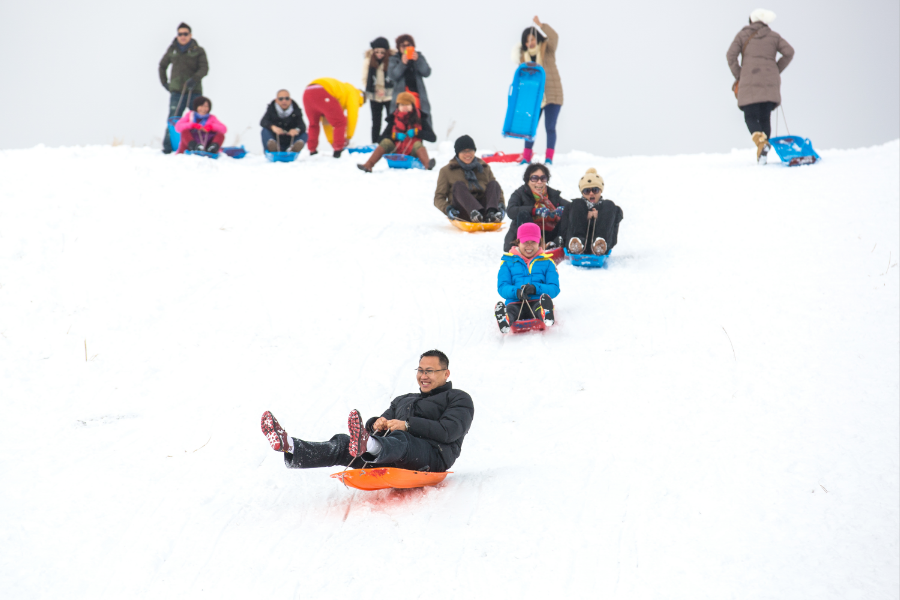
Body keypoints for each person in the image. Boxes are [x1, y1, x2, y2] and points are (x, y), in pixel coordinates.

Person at [260, 350, 474, 473]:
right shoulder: (404, 399)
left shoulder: (458, 398)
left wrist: (407, 426)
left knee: (401, 438)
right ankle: (290, 445)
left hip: (432, 457)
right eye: (420, 370)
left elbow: (450, 431)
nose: (423, 376)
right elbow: (384, 421)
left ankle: (370, 445)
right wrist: (375, 423)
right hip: (390, 454)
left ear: (446, 373)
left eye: (430, 371)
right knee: (345, 444)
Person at [726, 9, 794, 164]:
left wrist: (740, 75)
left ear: (751, 21)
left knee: (750, 116)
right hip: (770, 83)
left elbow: (730, 55)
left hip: (749, 82)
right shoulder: (774, 37)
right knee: (765, 117)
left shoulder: (742, 35)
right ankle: (763, 152)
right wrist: (776, 69)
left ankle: (761, 144)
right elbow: (789, 52)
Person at [495, 223, 559, 333]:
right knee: (512, 310)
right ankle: (505, 319)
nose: (529, 246)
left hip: (537, 300)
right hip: (514, 301)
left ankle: (546, 314)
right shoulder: (507, 262)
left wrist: (536, 288)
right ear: (518, 242)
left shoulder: (548, 262)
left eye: (533, 242)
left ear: (539, 242)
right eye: (525, 242)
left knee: (538, 307)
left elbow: (554, 288)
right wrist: (516, 292)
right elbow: (502, 287)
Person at [518, 16, 563, 165]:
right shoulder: (524, 58)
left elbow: (554, 37)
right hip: (534, 98)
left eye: (531, 39)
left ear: (536, 39)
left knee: (550, 127)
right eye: (526, 41)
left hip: (552, 94)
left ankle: (549, 158)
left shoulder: (547, 50)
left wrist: (540, 25)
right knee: (530, 127)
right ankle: (526, 157)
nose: (529, 43)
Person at [159, 23, 209, 154]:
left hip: (195, 91)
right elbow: (162, 65)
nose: (183, 36)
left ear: (190, 35)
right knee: (174, 118)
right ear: (177, 35)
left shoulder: (198, 50)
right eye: (180, 34)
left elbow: (204, 68)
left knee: (198, 120)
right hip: (177, 92)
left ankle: (200, 146)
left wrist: (195, 79)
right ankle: (168, 148)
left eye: (185, 34)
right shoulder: (172, 50)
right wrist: (165, 83)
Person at [432, 135, 506, 223]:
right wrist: (448, 209)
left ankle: (491, 214)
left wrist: (501, 206)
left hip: (485, 210)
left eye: (470, 150)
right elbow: (439, 197)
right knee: (458, 185)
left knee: (494, 184)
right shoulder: (447, 171)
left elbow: (496, 191)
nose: (467, 154)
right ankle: (475, 213)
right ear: (457, 153)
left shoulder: (484, 168)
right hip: (462, 211)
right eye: (463, 151)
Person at [356, 92, 435, 172]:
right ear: (398, 106)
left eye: (407, 104)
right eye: (402, 105)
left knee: (418, 144)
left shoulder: (420, 118)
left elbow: (433, 138)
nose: (404, 107)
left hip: (413, 152)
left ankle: (427, 165)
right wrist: (394, 136)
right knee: (385, 142)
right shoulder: (393, 119)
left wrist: (417, 132)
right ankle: (368, 165)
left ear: (412, 106)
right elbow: (380, 139)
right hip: (396, 151)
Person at [503, 163, 569, 252]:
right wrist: (534, 211)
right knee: (523, 214)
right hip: (528, 236)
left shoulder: (552, 194)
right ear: (527, 180)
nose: (539, 182)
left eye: (543, 178)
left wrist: (565, 210)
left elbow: (571, 206)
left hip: (550, 233)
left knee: (568, 214)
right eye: (534, 178)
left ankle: (554, 243)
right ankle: (530, 245)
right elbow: (511, 211)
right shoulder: (520, 193)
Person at [565, 168, 624, 256]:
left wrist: (600, 216)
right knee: (576, 203)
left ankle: (600, 244)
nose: (591, 193)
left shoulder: (607, 207)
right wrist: (585, 217)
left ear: (600, 191)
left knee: (610, 204)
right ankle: (577, 243)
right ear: (582, 193)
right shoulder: (575, 206)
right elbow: (563, 228)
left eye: (595, 190)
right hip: (577, 244)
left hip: (602, 244)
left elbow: (615, 225)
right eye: (587, 191)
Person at [303, 78, 365, 158]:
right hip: (322, 91)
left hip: (307, 92)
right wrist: (348, 137)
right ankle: (338, 150)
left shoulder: (343, 90)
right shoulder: (354, 93)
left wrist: (332, 141)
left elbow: (327, 121)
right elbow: (352, 117)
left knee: (313, 124)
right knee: (340, 121)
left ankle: (312, 150)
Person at [388, 35, 435, 135]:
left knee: (418, 119)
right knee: (400, 119)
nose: (405, 48)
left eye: (408, 45)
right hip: (401, 96)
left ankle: (418, 142)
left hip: (417, 96)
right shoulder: (394, 59)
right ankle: (401, 143)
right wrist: (402, 64)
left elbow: (427, 72)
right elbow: (393, 76)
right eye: (402, 46)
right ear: (398, 47)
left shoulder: (418, 57)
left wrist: (417, 60)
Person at [362, 37, 396, 144]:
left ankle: (389, 142)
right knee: (376, 122)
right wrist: (374, 90)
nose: (379, 54)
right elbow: (365, 78)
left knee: (392, 120)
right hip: (374, 95)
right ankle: (375, 143)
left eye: (382, 52)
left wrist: (385, 91)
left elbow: (395, 79)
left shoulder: (392, 60)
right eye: (377, 51)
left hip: (389, 95)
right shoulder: (368, 61)